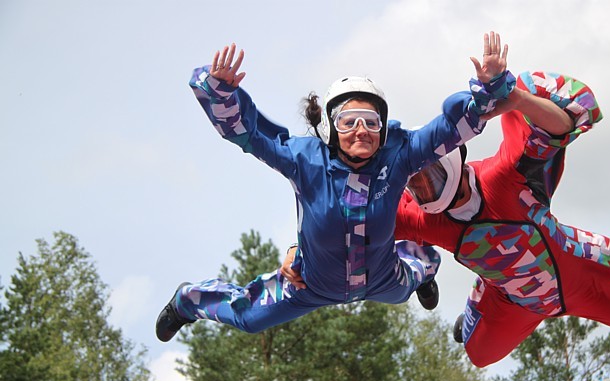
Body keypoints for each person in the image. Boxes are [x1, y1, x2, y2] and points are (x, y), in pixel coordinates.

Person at [283, 71, 610, 367]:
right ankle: (442, 284)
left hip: (578, 271)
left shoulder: (506, 174)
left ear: (450, 160)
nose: (422, 192)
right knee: (477, 356)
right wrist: (295, 252)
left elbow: (561, 126)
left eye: (426, 177)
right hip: (513, 300)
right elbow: (340, 220)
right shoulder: (423, 218)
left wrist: (517, 100)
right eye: (413, 185)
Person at [155, 32, 516, 342]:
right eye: (348, 121)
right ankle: (190, 300)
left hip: (383, 279)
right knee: (248, 319)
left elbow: (452, 130)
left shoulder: (399, 154)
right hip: (309, 284)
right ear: (329, 127)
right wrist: (220, 93)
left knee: (409, 281)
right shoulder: (303, 158)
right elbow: (248, 134)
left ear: (383, 127)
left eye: (372, 122)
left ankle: (425, 268)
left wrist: (488, 91)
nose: (361, 130)